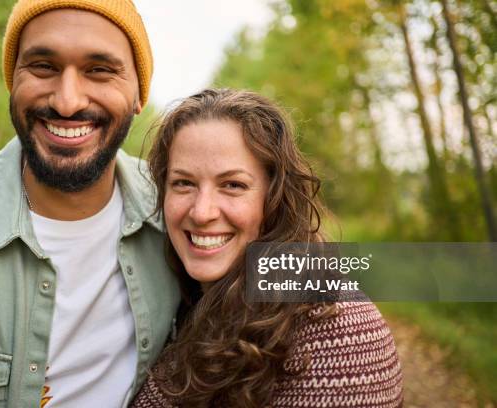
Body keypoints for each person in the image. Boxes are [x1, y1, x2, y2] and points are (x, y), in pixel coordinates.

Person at [0, 1, 180, 407]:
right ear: (12, 82)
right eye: (43, 66)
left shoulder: (183, 212)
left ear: (138, 95)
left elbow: (284, 277)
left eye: (99, 70)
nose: (67, 101)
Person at [131, 88, 403, 407]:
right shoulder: (177, 294)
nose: (202, 212)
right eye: (183, 183)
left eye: (233, 185)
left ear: (274, 198)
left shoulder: (335, 329)